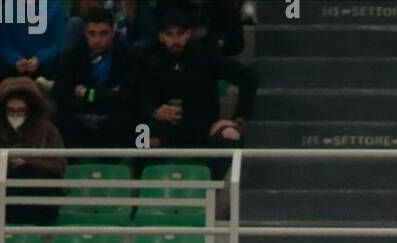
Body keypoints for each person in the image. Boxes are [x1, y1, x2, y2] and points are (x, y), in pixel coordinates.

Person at [136, 5, 258, 163]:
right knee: (140, 134)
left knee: (231, 134)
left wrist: (237, 119)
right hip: (162, 128)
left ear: (188, 34)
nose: (176, 40)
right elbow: (136, 96)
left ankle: (214, 186)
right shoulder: (150, 61)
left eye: (180, 34)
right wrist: (155, 111)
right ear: (161, 37)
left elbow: (249, 78)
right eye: (170, 34)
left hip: (202, 128)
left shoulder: (206, 57)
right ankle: (144, 186)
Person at [0, 77, 66, 225]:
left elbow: (58, 164)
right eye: (11, 110)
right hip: (2, 192)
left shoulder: (47, 130)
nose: (16, 115)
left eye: (21, 111)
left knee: (25, 171)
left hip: (38, 194)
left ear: (30, 110)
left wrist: (29, 162)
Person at [53, 5, 135, 149]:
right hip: (79, 117)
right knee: (60, 119)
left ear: (113, 33)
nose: (97, 40)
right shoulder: (72, 56)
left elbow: (128, 97)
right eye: (92, 33)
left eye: (103, 33)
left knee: (128, 119)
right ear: (84, 33)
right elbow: (61, 94)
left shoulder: (128, 55)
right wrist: (106, 96)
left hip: (112, 120)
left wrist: (86, 93)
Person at [0, 0, 69, 85]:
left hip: (45, 69)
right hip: (13, 68)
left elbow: (59, 45)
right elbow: (4, 45)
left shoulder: (56, 9)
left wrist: (40, 59)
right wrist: (16, 60)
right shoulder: (8, 8)